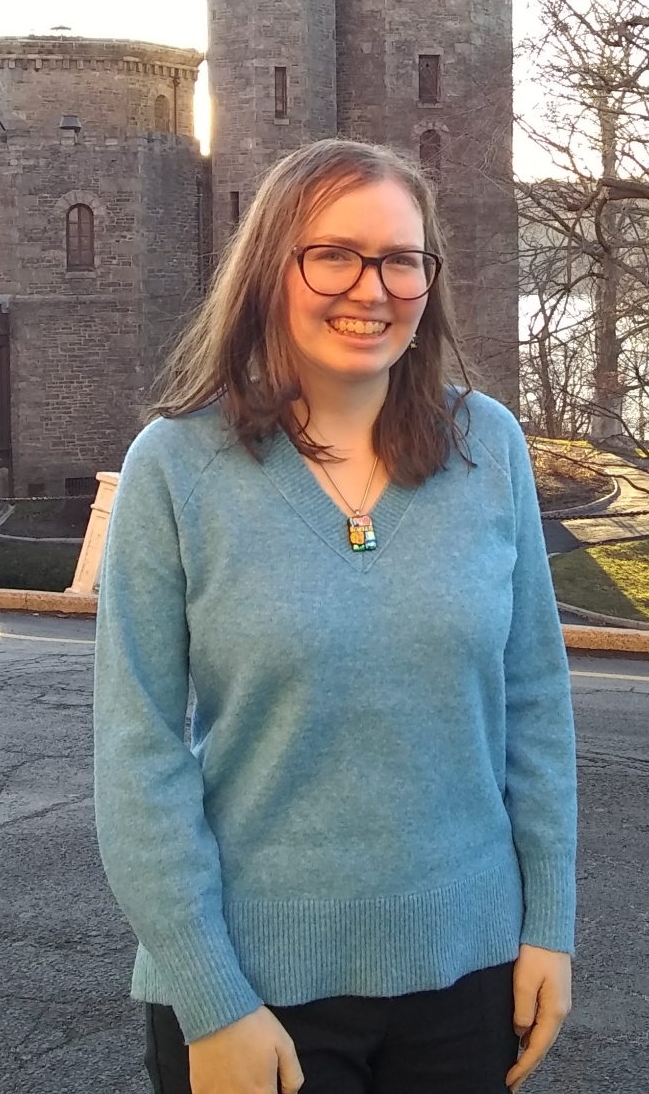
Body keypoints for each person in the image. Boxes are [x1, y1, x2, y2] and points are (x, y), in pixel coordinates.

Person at [93, 138, 577, 1094]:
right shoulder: (176, 467)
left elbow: (535, 703)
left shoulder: (490, 447)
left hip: (470, 977)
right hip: (253, 991)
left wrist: (548, 925)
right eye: (334, 254)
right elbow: (136, 751)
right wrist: (211, 996)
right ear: (271, 268)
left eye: (402, 259)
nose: (373, 286)